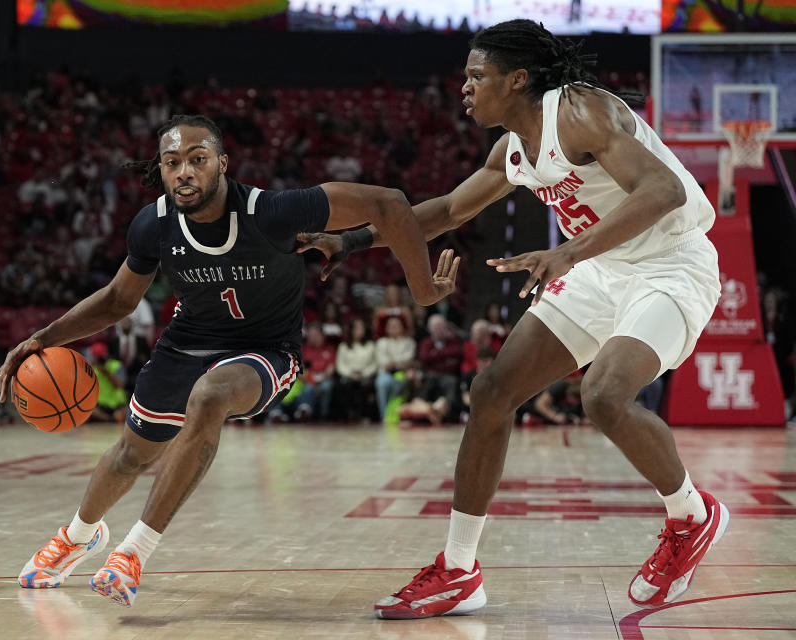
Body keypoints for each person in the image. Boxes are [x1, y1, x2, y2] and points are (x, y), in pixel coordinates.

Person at [299, 20, 727, 617]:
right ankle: (458, 570)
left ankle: (691, 516)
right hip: (600, 268)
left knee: (603, 395)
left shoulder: (579, 111)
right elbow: (447, 210)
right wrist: (349, 243)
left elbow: (662, 191)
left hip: (669, 263)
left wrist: (567, 253)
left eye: (477, 75)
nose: (465, 88)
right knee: (493, 390)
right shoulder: (512, 149)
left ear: (518, 78)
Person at [0, 114, 459, 607]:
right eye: (172, 163)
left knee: (210, 396)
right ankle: (79, 534)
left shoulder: (272, 212)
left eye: (197, 160)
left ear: (222, 163)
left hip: (266, 349)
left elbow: (389, 203)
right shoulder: (153, 224)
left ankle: (134, 550)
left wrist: (424, 290)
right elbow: (117, 301)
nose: (184, 172)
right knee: (131, 455)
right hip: (187, 343)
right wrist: (41, 338)